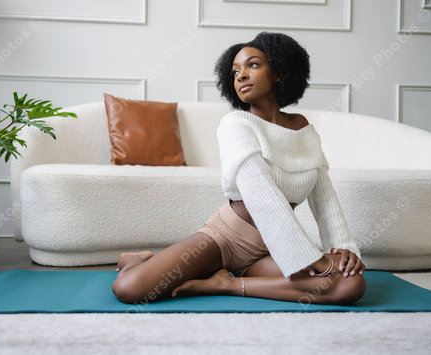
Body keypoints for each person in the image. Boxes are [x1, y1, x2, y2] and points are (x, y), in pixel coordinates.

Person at [111, 32, 366, 306]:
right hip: (226, 239)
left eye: (252, 65)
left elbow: (324, 197)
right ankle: (136, 261)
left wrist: (344, 250)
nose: (241, 75)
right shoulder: (236, 124)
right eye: (235, 71)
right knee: (128, 289)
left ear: (279, 72)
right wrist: (312, 257)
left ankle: (229, 284)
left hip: (273, 249)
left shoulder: (303, 129)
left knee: (350, 284)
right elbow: (262, 195)